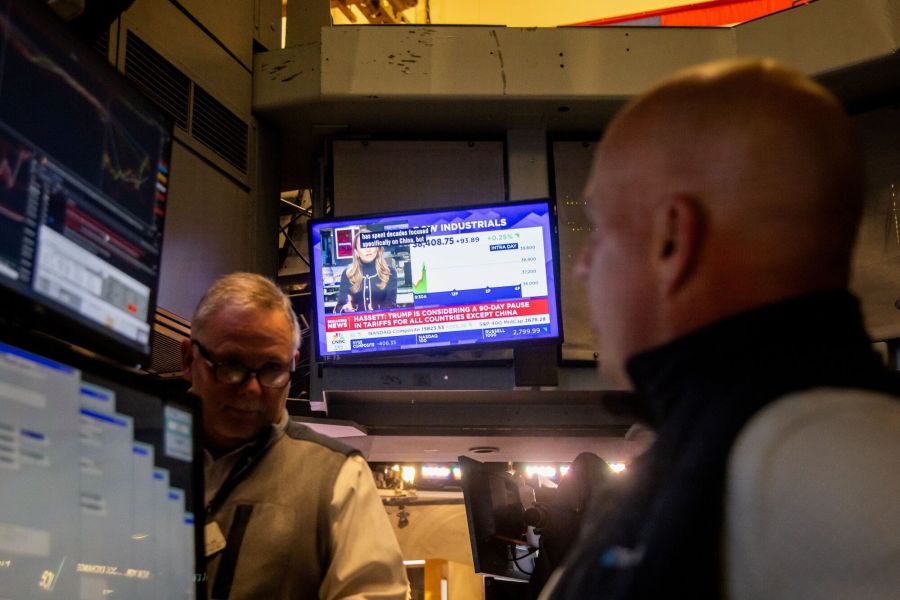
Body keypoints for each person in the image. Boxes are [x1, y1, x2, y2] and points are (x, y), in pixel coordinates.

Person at [541, 58, 900, 599]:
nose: (583, 266)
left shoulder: (821, 470)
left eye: (600, 229)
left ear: (672, 240)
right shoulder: (731, 454)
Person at [181, 272, 408, 599]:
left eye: (272, 369)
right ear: (189, 359)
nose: (252, 388)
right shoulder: (130, 448)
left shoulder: (340, 479)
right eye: (231, 365)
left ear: (292, 365)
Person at [335, 228, 397, 313]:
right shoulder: (347, 274)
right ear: (356, 252)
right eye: (363, 245)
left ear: (377, 248)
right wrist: (345, 308)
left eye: (371, 244)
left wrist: (378, 312)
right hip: (355, 324)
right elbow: (339, 307)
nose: (368, 249)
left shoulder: (390, 272)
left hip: (382, 323)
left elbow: (391, 305)